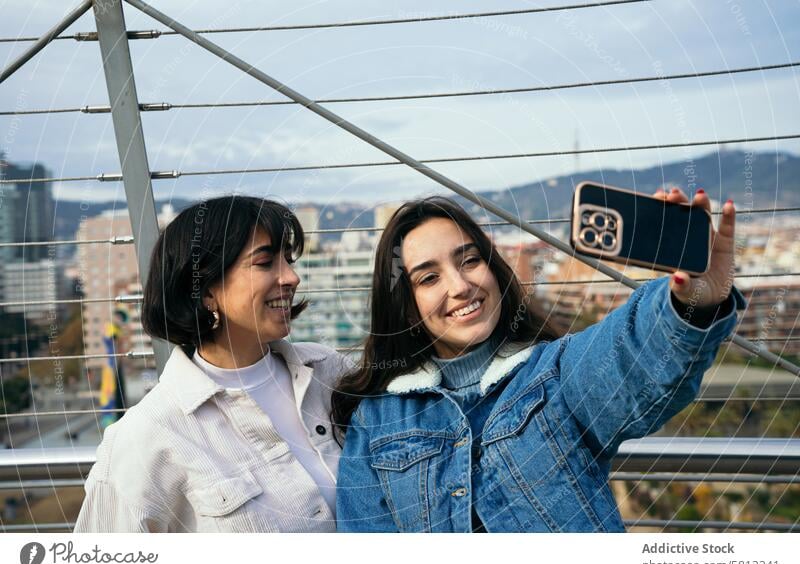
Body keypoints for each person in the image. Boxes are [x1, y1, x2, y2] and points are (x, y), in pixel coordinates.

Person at [333, 190, 745, 532]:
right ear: (407, 309)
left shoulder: (555, 374)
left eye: (470, 260)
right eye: (429, 278)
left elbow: (631, 353)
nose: (460, 286)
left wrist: (694, 300)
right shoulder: (377, 422)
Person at [75, 196, 348, 532]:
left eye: (288, 261)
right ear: (205, 290)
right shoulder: (147, 436)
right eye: (264, 263)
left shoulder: (331, 373)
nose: (292, 277)